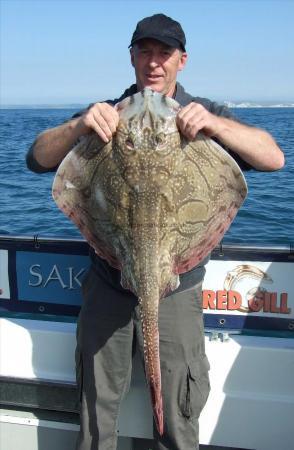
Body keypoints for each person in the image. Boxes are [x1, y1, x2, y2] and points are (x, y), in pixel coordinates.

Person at [26, 13, 284, 450]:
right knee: (96, 413)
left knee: (177, 417)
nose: (154, 62)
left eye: (164, 53)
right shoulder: (108, 114)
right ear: (131, 57)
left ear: (181, 60)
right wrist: (81, 125)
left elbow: (273, 158)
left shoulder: (204, 114)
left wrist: (215, 126)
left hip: (177, 288)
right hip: (109, 283)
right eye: (145, 51)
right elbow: (37, 159)